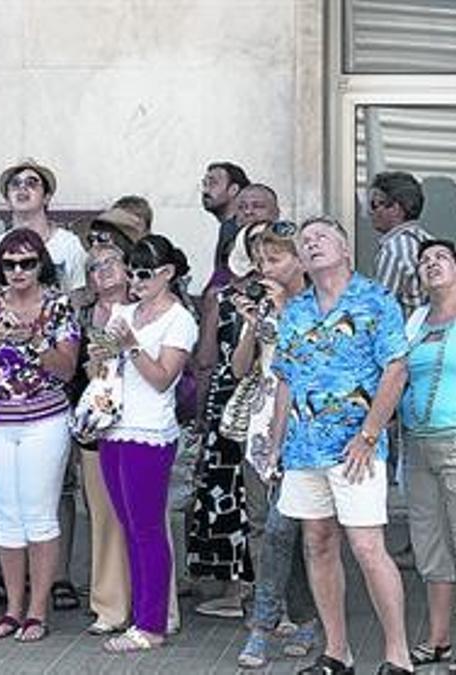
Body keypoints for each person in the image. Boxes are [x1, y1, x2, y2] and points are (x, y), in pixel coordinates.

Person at [267, 216, 411, 674]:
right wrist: (275, 443)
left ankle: (398, 658)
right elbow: (285, 382)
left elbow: (396, 370)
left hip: (357, 448)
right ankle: (337, 653)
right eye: (305, 242)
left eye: (321, 238)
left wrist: (370, 434)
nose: (311, 245)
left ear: (346, 249)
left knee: (368, 547)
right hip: (304, 449)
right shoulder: (296, 310)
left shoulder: (375, 299)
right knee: (318, 544)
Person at [0, 228, 80, 643]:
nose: (18, 271)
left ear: (40, 264)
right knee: (8, 519)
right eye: (10, 263)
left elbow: (66, 369)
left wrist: (32, 339)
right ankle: (12, 609)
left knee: (40, 514)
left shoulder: (59, 307)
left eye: (27, 262)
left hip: (43, 420)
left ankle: (38, 610)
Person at [90, 234, 197, 652]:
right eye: (131, 272)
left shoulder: (180, 319)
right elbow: (102, 365)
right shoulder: (124, 309)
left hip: (150, 431)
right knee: (130, 528)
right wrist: (106, 350)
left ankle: (152, 623)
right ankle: (142, 616)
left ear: (168, 273)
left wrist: (130, 344)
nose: (135, 281)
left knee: (148, 529)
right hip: (113, 426)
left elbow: (162, 378)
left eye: (144, 273)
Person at [230, 224, 319, 668]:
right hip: (261, 422)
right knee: (264, 528)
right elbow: (239, 367)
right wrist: (250, 328)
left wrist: (282, 310)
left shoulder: (313, 305)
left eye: (276, 260)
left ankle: (270, 625)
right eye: (262, 261)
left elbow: (306, 364)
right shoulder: (264, 304)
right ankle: (296, 618)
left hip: (302, 423)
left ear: (300, 262)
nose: (266, 269)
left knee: (294, 529)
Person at [188, 192, 280, 619]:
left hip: (260, 404)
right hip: (235, 404)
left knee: (255, 502)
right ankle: (248, 593)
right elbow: (205, 359)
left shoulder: (273, 295)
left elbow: (207, 359)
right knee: (239, 499)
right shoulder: (225, 295)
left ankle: (262, 594)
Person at [396, 239, 456, 670]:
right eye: (424, 261)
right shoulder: (416, 319)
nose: (430, 264)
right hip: (417, 444)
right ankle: (438, 640)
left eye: (441, 258)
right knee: (430, 544)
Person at [0, 160, 87, 292]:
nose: (22, 188)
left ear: (47, 197)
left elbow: (81, 296)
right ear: (7, 201)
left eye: (31, 183)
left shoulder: (69, 245)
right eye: (15, 184)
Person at [370, 171, 431, 316]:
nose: (370, 212)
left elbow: (379, 309)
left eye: (375, 204)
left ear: (395, 209)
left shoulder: (394, 250)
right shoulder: (427, 240)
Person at [200, 161, 251, 292]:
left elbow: (224, 278)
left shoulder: (237, 229)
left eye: (213, 183)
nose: (205, 190)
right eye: (204, 184)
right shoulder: (228, 227)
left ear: (233, 189)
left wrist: (209, 293)